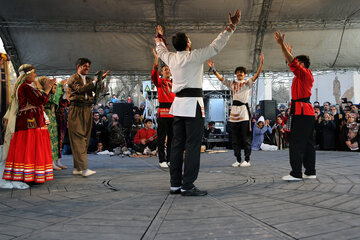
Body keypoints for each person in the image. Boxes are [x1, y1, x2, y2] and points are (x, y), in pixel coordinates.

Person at [155, 9, 241, 196]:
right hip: (193, 105)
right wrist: (231, 26)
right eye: (189, 38)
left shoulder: (170, 58)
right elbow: (216, 45)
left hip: (177, 106)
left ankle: (175, 184)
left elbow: (160, 49)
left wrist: (159, 36)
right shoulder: (195, 56)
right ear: (187, 43)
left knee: (176, 145)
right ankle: (187, 185)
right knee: (193, 146)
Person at [207, 53, 264, 167]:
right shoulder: (232, 84)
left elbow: (256, 76)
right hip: (234, 113)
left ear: (244, 74)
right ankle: (238, 159)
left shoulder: (247, 83)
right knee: (235, 139)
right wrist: (213, 69)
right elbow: (221, 79)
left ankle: (247, 160)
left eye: (241, 73)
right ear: (236, 74)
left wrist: (261, 64)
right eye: (237, 72)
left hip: (243, 112)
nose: (239, 74)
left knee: (245, 138)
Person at [274, 30, 316, 181]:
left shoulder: (304, 74)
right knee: (308, 143)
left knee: (296, 142)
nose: (292, 64)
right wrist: (288, 53)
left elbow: (293, 63)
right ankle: (310, 171)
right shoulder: (303, 76)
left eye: (296, 62)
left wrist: (281, 46)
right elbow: (292, 62)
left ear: (302, 64)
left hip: (302, 112)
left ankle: (296, 173)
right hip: (305, 112)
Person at [2, 64, 55, 183]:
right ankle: (29, 176)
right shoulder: (25, 87)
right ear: (27, 74)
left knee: (29, 146)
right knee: (31, 146)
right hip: (30, 121)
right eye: (33, 73)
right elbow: (39, 100)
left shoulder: (24, 86)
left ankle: (30, 175)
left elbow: (41, 100)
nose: (35, 75)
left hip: (31, 120)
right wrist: (47, 89)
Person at [67, 58, 109, 177]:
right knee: (78, 137)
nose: (87, 68)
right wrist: (95, 82)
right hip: (76, 109)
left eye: (88, 66)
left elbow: (97, 90)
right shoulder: (73, 78)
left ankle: (77, 168)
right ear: (78, 67)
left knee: (84, 137)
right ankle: (84, 168)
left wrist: (101, 81)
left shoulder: (90, 79)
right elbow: (80, 89)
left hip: (87, 109)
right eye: (84, 66)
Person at [151, 48, 175, 168]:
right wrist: (156, 58)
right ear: (162, 72)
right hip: (163, 113)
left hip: (173, 113)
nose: (168, 71)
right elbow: (153, 75)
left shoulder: (175, 83)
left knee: (172, 139)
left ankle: (170, 159)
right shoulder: (159, 82)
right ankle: (162, 160)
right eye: (165, 69)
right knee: (161, 138)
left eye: (169, 70)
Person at [37, 77, 68, 170]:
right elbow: (54, 100)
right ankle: (50, 162)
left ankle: (55, 160)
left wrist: (61, 88)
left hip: (53, 117)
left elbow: (59, 100)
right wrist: (59, 86)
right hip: (46, 117)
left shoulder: (48, 93)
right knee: (49, 140)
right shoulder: (42, 93)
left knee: (55, 140)